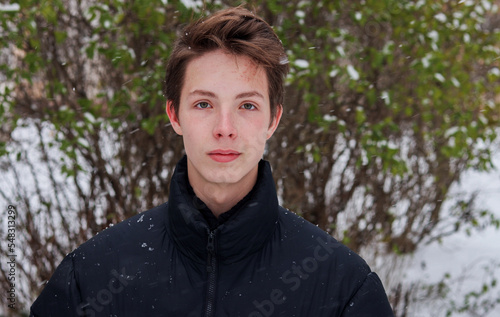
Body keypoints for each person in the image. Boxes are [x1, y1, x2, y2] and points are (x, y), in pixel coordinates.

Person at [30, 6, 394, 317]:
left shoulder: (343, 289)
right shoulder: (90, 278)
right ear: (174, 115)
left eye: (247, 105)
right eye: (204, 104)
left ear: (273, 120)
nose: (225, 129)